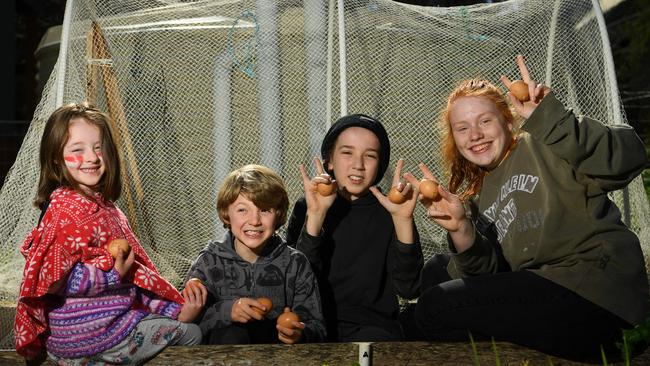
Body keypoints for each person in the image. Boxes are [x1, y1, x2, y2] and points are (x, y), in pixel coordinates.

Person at [405, 55, 649, 361]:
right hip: (543, 292)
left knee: (434, 309)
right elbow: (486, 274)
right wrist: (461, 229)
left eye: (485, 121)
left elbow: (630, 156)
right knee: (436, 273)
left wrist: (553, 120)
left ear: (508, 121)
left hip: (592, 289)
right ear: (454, 139)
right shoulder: (479, 196)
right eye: (462, 128)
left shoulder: (544, 143)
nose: (475, 135)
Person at [14, 103, 206, 365]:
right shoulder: (66, 210)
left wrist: (174, 309)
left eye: (98, 147)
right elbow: (52, 279)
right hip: (90, 336)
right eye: (77, 150)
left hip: (109, 323)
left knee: (178, 323)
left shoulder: (105, 209)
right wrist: (111, 275)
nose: (92, 158)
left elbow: (136, 276)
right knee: (193, 334)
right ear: (56, 158)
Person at [285, 114, 424, 342]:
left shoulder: (391, 210)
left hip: (374, 329)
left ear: (379, 165)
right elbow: (295, 283)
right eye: (347, 153)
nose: (358, 165)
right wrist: (316, 217)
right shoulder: (307, 206)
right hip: (314, 325)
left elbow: (409, 288)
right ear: (329, 160)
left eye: (369, 156)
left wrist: (403, 221)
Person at [184, 164, 326, 344]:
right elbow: (185, 326)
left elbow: (318, 327)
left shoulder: (295, 263)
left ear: (279, 214)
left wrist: (299, 332)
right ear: (227, 213)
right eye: (243, 210)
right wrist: (228, 311)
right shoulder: (208, 262)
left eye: (265, 210)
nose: (254, 221)